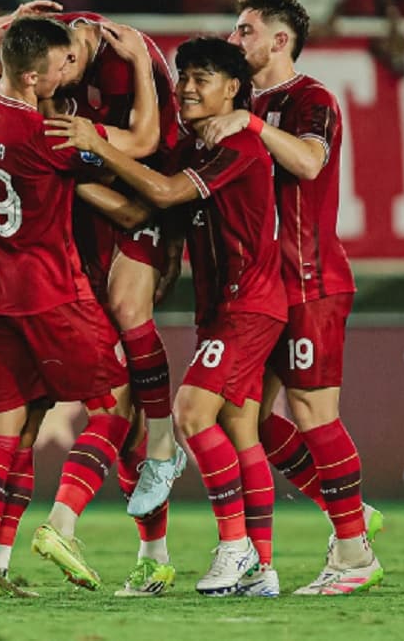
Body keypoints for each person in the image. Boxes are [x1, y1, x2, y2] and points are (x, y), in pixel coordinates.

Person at [0, 4, 187, 525]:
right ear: (33, 75)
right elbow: (137, 143)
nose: (63, 74)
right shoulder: (43, 132)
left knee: (10, 428)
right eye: (56, 67)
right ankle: (61, 525)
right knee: (105, 405)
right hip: (45, 279)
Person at [46, 37, 286, 598]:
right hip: (225, 307)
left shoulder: (237, 148)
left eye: (203, 78)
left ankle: (234, 547)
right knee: (239, 432)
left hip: (248, 304)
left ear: (233, 89)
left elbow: (165, 191)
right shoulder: (198, 148)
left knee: (191, 412)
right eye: (184, 77)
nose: (189, 87)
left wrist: (95, 145)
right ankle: (258, 567)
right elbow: (144, 206)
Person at [198, 0, 383, 596]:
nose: (235, 40)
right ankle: (342, 512)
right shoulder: (241, 99)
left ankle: (354, 552)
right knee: (240, 415)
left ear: (280, 41)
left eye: (245, 30)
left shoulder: (312, 99)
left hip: (310, 280)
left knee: (311, 413)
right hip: (260, 289)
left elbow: (308, 162)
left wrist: (249, 124)